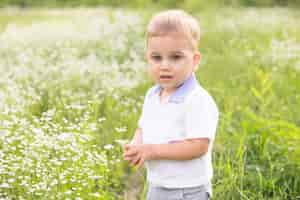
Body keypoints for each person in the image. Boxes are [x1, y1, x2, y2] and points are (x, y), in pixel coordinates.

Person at [123, 9, 219, 200]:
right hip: (158, 185)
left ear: (195, 60)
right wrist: (137, 143)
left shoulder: (196, 99)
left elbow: (198, 145)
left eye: (175, 57)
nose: (164, 65)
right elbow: (143, 126)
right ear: (147, 58)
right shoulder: (153, 95)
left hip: (188, 190)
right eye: (156, 57)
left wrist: (152, 150)